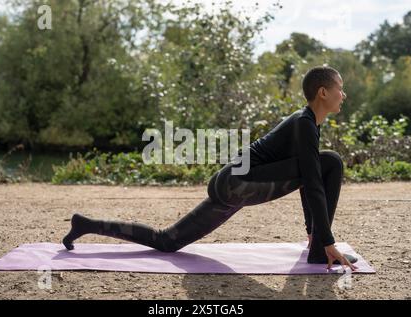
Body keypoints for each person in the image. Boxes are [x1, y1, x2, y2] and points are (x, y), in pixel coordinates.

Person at [63, 66, 357, 271]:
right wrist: (325, 240)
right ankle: (321, 250)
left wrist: (313, 231)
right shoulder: (304, 123)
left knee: (166, 241)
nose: (343, 95)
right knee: (329, 161)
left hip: (231, 183)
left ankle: (86, 224)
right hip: (237, 181)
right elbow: (313, 182)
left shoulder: (307, 122)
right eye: (340, 89)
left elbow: (309, 180)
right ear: (322, 92)